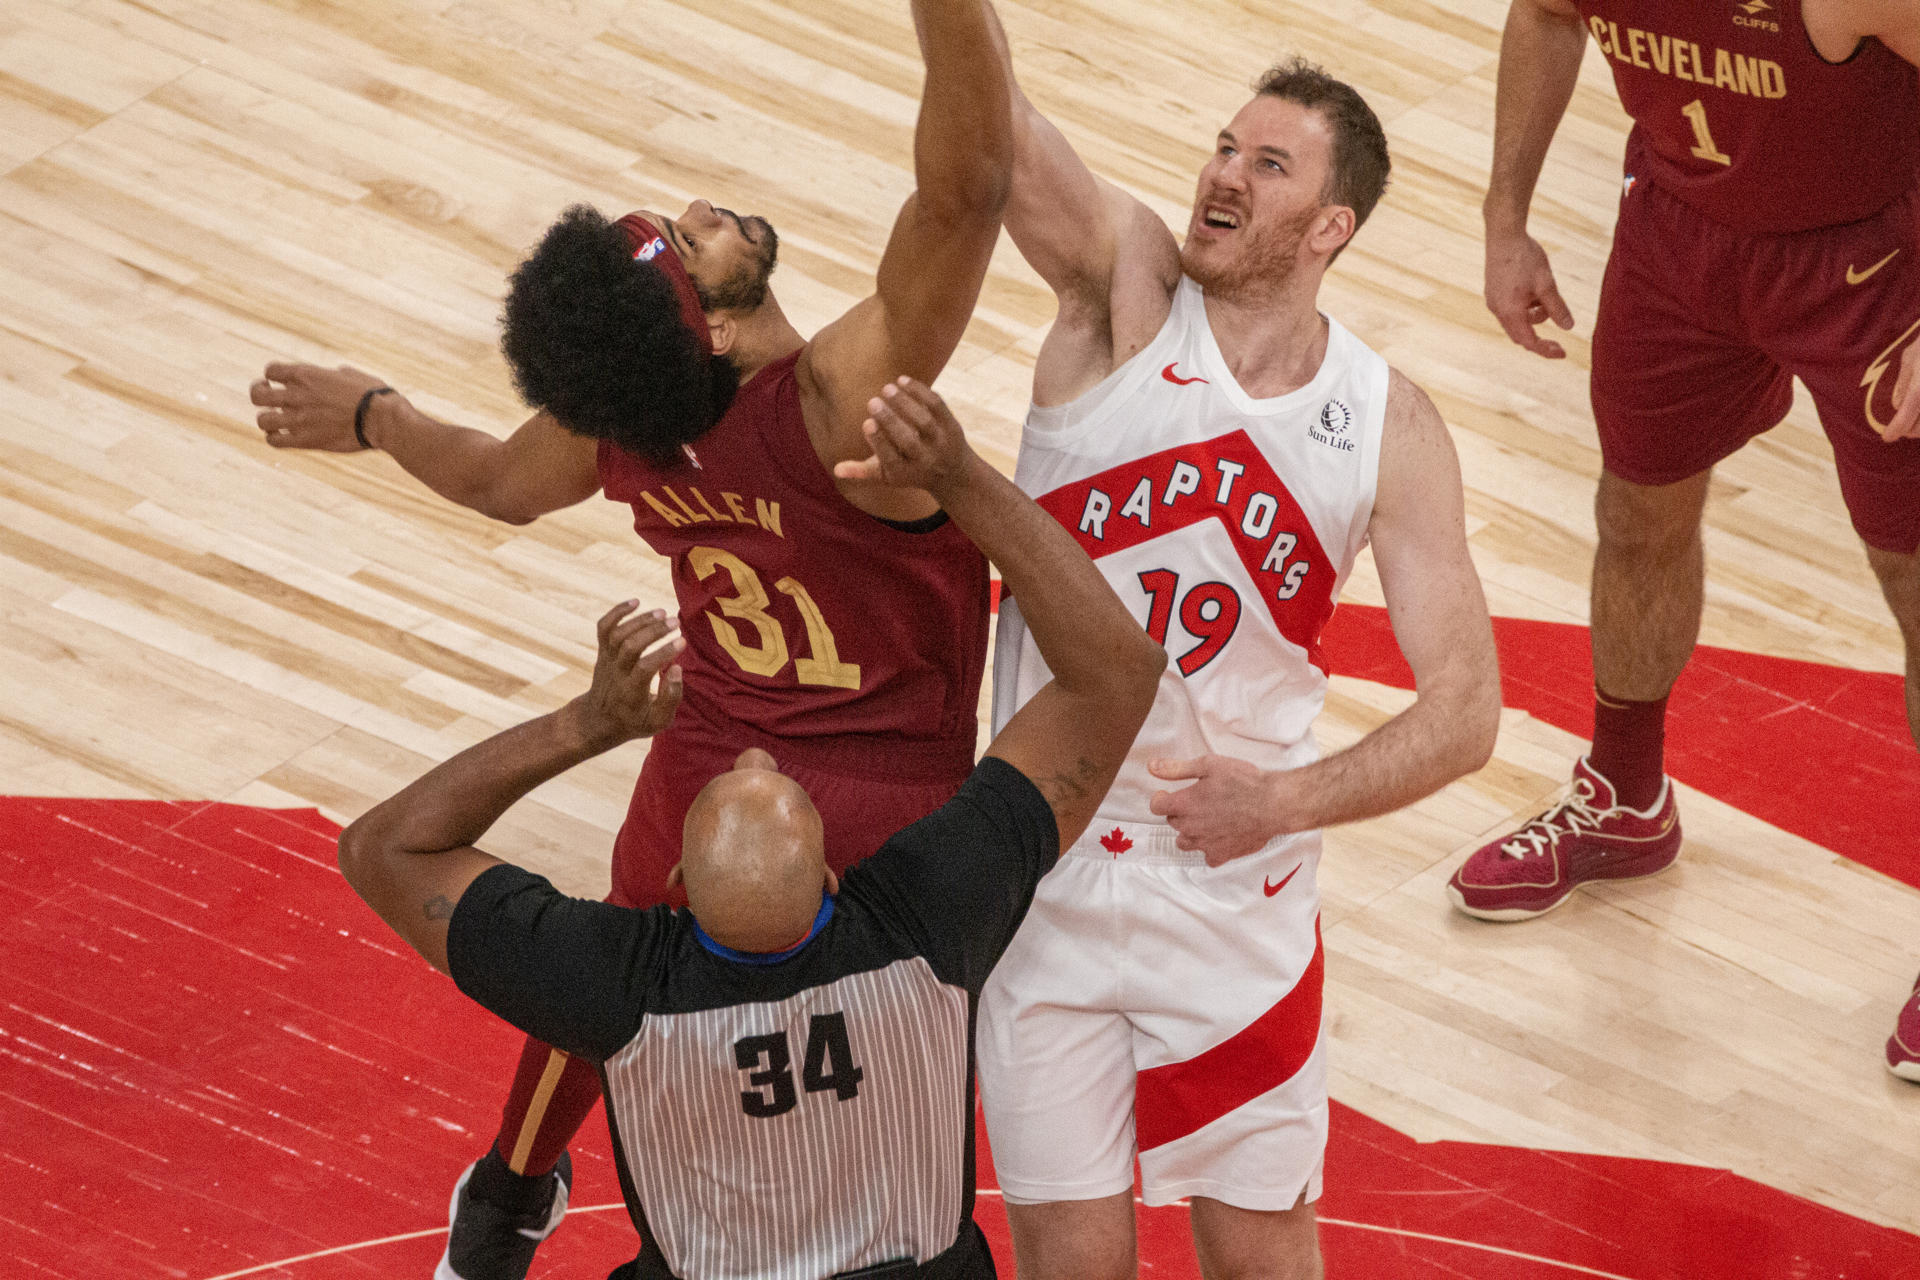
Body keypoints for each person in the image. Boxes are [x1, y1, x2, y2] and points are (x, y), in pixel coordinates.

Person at [250, 3, 1012, 1274]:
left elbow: (497, 477)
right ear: (707, 325)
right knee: (895, 1033)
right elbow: (967, 192)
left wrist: (378, 415)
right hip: (888, 783)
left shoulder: (625, 422)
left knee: (610, 975)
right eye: (690, 239)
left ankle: (507, 1196)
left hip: (708, 751)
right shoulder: (835, 405)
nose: (705, 207)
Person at [336, 378, 1166, 1280]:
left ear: (674, 897)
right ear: (838, 878)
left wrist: (588, 724)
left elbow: (383, 846)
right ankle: (505, 1201)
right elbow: (1118, 672)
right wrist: (957, 478)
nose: (759, 753)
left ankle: (507, 1202)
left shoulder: (618, 987)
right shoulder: (928, 922)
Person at [971, 15, 1503, 1279]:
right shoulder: (1126, 289)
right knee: (1067, 1254)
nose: (1224, 172)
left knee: (1261, 1254)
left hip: (1232, 885)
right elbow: (993, 136)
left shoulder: (1387, 423)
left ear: (1332, 227)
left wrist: (1282, 801)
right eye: (1223, 147)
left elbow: (1468, 711)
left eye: (1270, 164)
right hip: (1042, 855)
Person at [1446, 0, 1920, 1075]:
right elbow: (1546, 15)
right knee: (1636, 510)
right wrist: (1504, 219)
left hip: (1873, 257)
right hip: (1680, 237)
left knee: (1914, 574)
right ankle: (1624, 796)